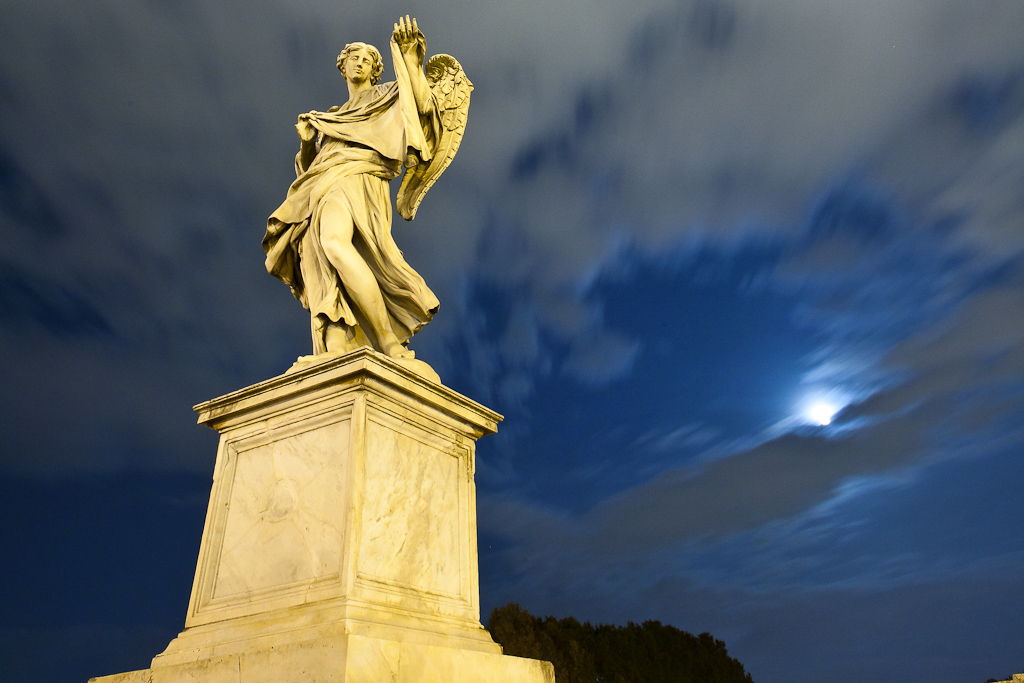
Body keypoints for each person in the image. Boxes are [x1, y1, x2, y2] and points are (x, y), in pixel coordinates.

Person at [264, 17, 441, 360]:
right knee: (322, 259)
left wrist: (410, 60)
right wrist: (305, 145)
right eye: (354, 57)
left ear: (376, 71)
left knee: (334, 242)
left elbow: (421, 107)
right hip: (320, 187)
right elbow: (310, 167)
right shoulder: (332, 116)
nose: (359, 63)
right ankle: (337, 340)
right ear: (342, 66)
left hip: (359, 179)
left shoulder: (385, 95)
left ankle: (387, 338)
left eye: (367, 60)